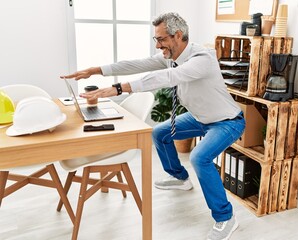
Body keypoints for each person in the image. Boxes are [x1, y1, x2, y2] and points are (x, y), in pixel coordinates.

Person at [61, 12, 245, 240]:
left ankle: (226, 218)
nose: (158, 46)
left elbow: (168, 77)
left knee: (199, 157)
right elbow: (138, 64)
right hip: (200, 118)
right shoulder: (171, 55)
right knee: (159, 132)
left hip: (227, 122)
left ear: (178, 35)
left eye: (161, 39)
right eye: (155, 40)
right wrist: (97, 70)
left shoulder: (202, 58)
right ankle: (180, 178)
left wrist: (119, 89)